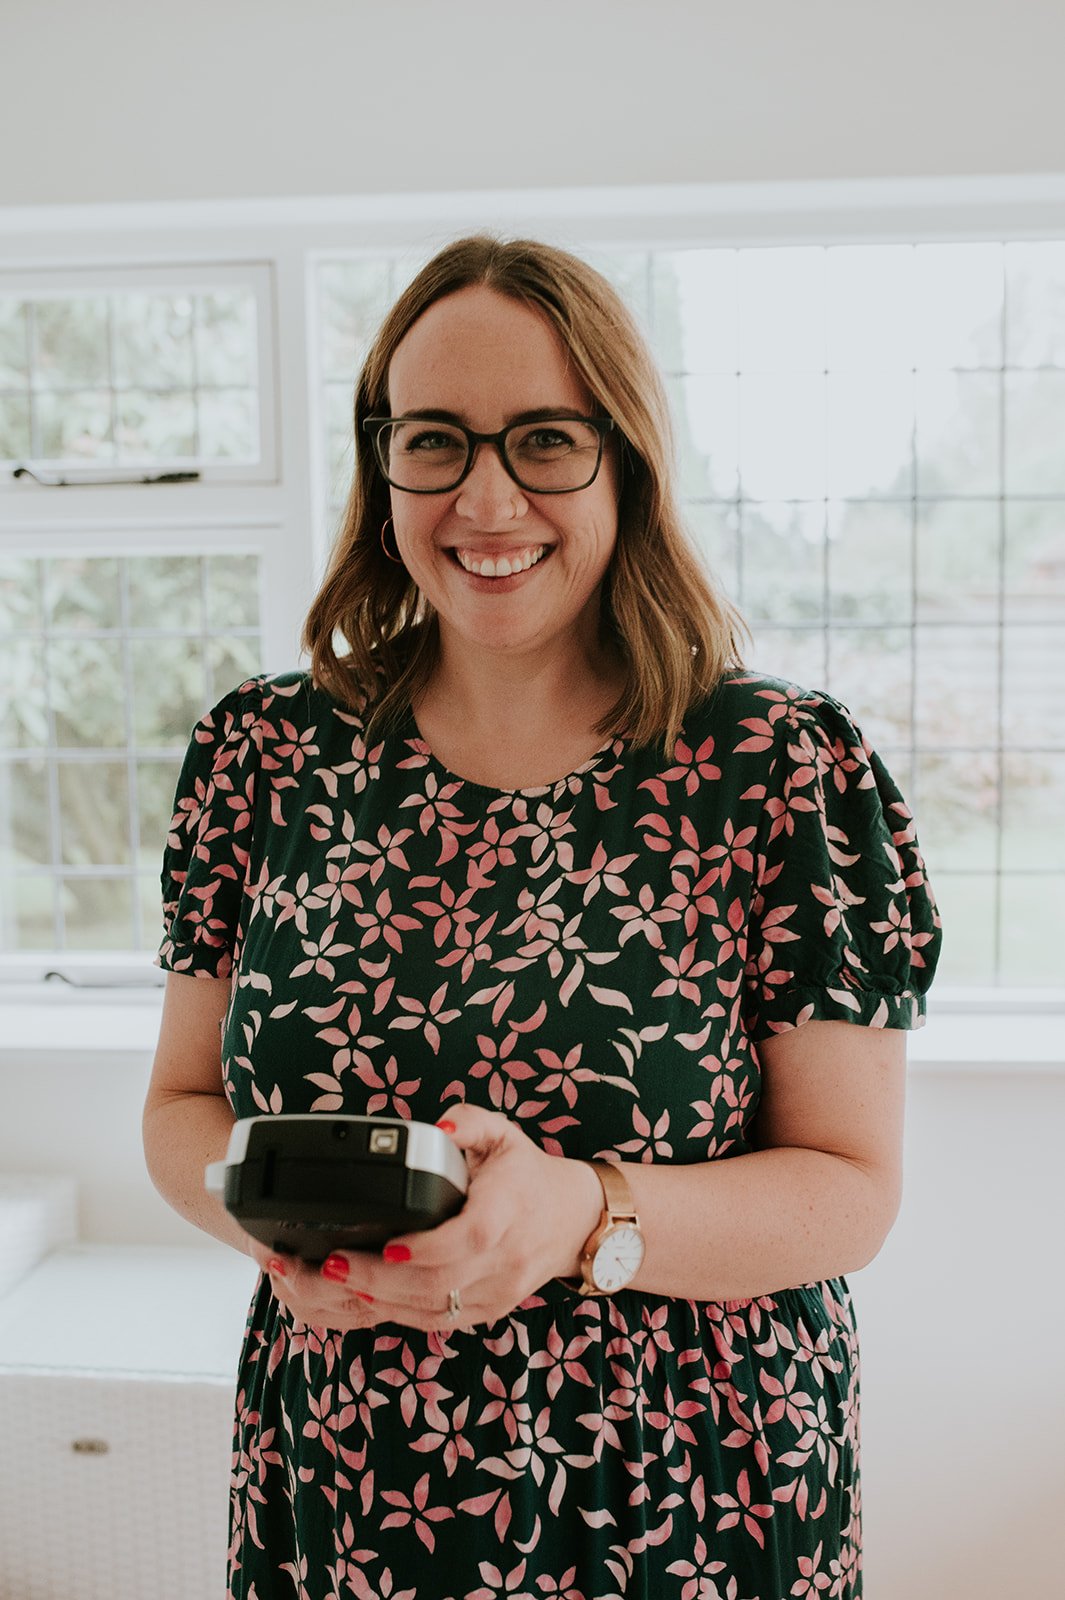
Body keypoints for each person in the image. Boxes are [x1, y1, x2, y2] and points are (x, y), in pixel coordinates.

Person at [143, 235, 942, 1600]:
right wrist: (283, 1244)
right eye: (435, 442)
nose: (485, 497)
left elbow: (848, 1193)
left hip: (686, 1490)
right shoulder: (263, 752)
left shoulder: (776, 766)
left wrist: (580, 1213)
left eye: (545, 441)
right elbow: (180, 1114)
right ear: (379, 463)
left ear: (624, 460)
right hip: (346, 1484)